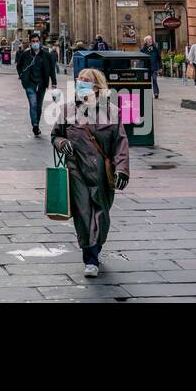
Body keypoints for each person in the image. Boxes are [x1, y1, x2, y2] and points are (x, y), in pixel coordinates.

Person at [51, 68, 129, 278]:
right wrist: (62, 142)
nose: (80, 84)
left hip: (103, 173)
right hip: (77, 170)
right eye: (78, 81)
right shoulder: (67, 110)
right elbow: (55, 135)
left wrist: (122, 169)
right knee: (83, 213)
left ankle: (96, 245)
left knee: (102, 213)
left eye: (85, 81)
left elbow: (121, 142)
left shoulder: (111, 111)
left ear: (96, 86)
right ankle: (90, 257)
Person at [17, 34, 57, 138]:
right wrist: (21, 75)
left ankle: (37, 124)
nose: (35, 43)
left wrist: (54, 82)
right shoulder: (26, 55)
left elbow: (52, 69)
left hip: (42, 84)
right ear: (30, 43)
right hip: (30, 84)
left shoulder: (46, 55)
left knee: (39, 106)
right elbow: (19, 66)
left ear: (40, 42)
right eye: (33, 41)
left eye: (37, 41)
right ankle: (34, 125)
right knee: (33, 104)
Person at [141, 35, 162, 99]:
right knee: (146, 81)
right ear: (146, 41)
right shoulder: (143, 49)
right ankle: (147, 93)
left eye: (151, 39)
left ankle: (156, 93)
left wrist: (160, 67)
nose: (151, 40)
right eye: (149, 40)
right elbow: (140, 59)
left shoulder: (155, 48)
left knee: (154, 79)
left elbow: (159, 58)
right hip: (146, 68)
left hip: (154, 67)